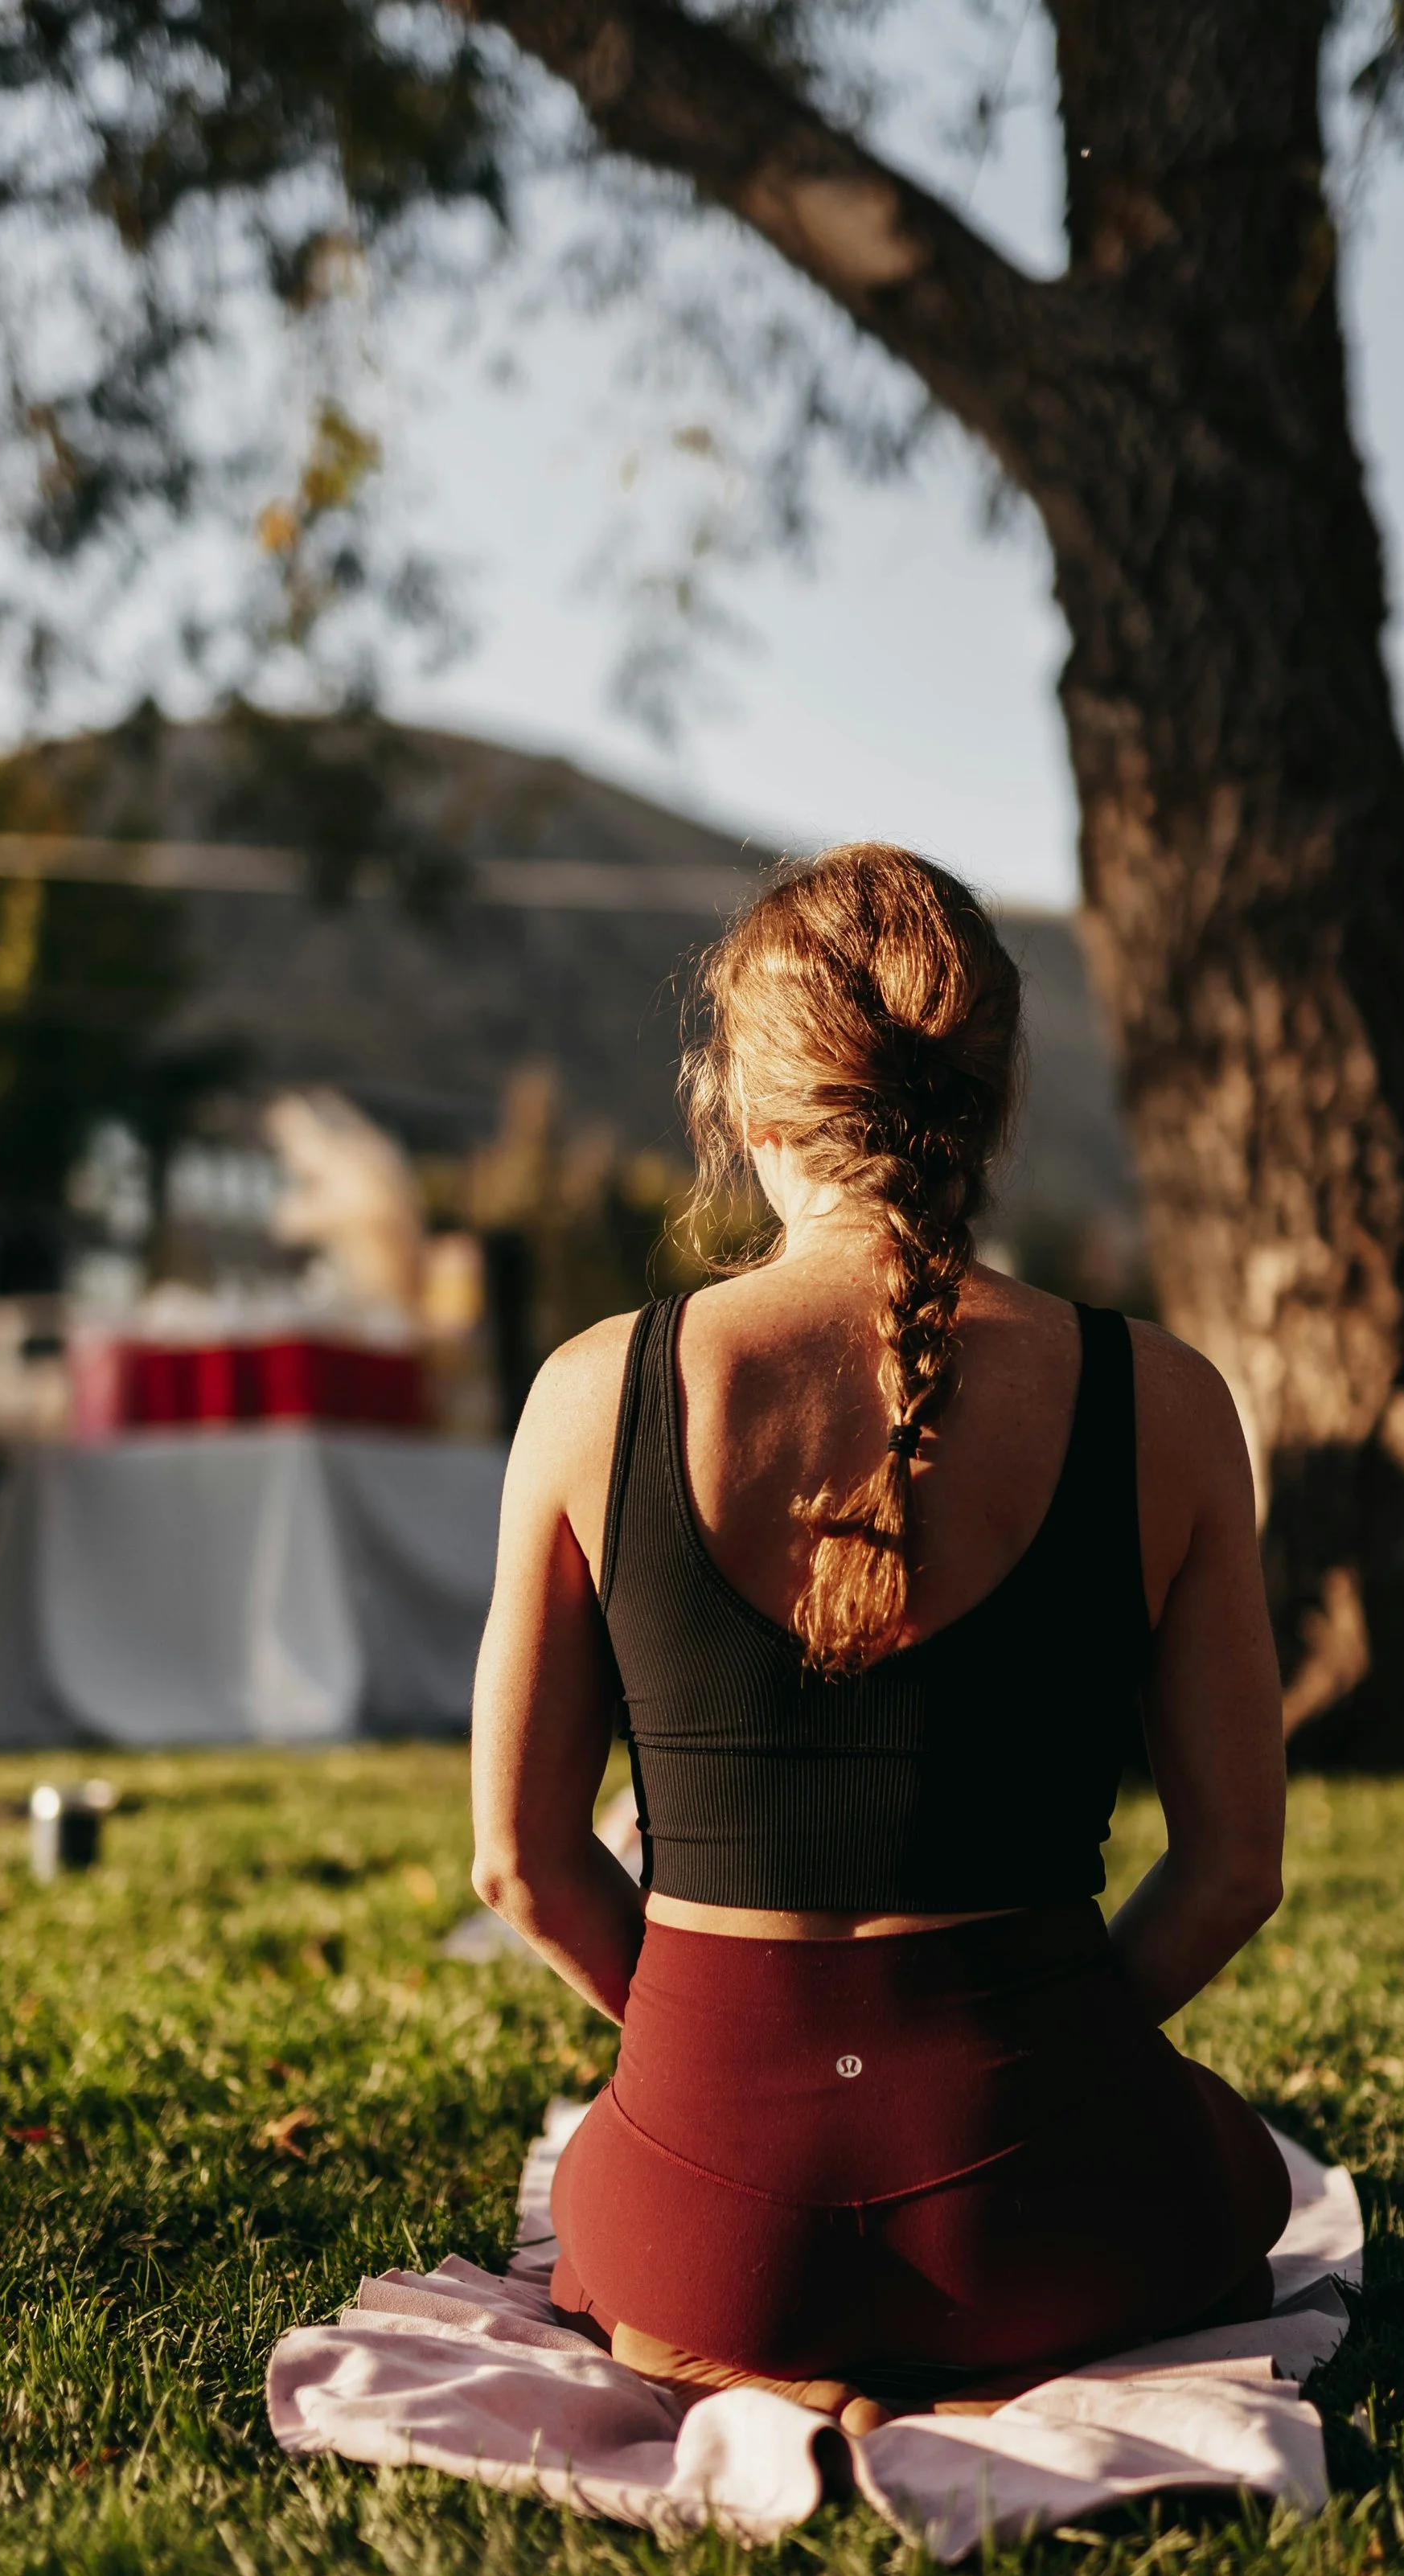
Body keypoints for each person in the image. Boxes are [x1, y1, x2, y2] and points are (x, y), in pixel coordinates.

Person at [470, 843, 1290, 2438]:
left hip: (707, 2237)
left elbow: (520, 1863)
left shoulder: (593, 1393)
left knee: (613, 2187)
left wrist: (724, 2069)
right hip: (1043, 2222)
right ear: (988, 1096)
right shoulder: (1163, 1403)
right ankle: (982, 2364)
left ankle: (747, 2351)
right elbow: (1230, 1873)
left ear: (748, 1109)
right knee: (1234, 2170)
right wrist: (1030, 2071)